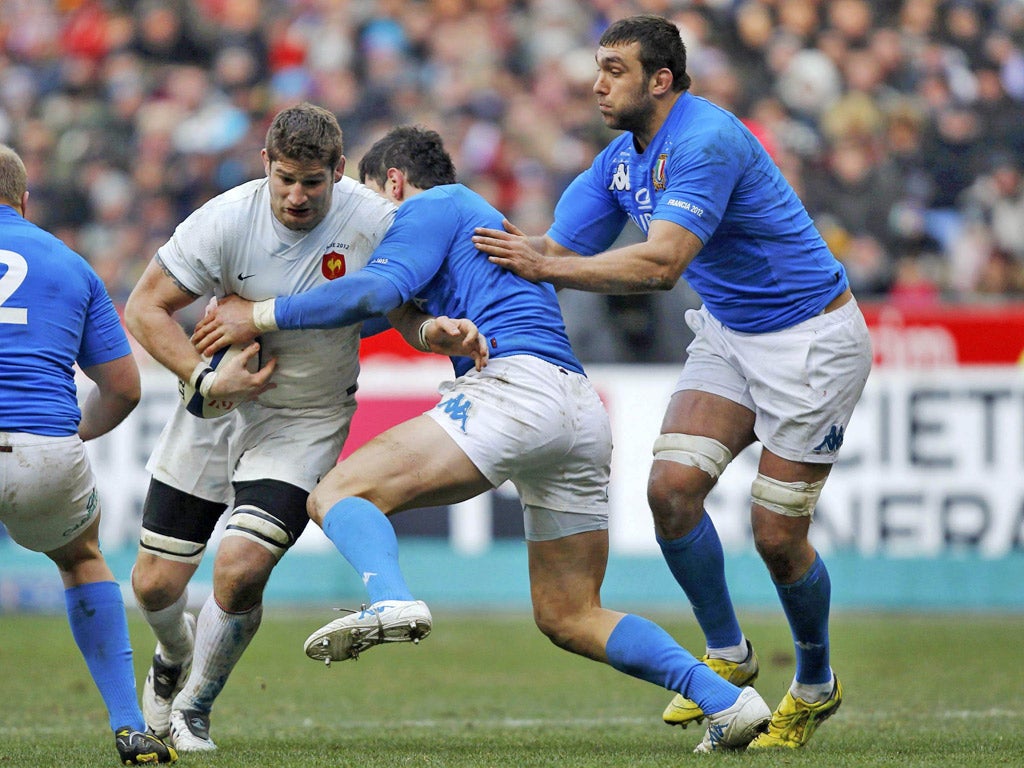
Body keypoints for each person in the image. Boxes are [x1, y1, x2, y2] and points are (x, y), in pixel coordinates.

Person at [192, 125, 773, 753]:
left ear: (391, 182)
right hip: (578, 408)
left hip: (514, 389)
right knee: (569, 615)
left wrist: (255, 314)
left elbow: (376, 290)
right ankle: (728, 702)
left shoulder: (428, 206)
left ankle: (391, 599)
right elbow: (367, 315)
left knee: (337, 493)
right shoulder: (462, 223)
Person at [472, 14, 872, 750]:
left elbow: (659, 267)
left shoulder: (706, 140)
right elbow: (549, 249)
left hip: (811, 342)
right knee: (670, 492)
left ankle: (814, 681)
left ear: (662, 79)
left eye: (615, 70)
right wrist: (466, 293)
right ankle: (729, 654)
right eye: (598, 68)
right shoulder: (622, 158)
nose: (597, 84)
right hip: (730, 334)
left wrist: (542, 266)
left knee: (777, 536)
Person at [123, 104, 479, 753]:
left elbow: (400, 309)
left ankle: (195, 707)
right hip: (216, 410)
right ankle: (173, 657)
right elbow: (144, 306)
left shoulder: (373, 222)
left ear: (339, 172)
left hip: (307, 419)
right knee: (153, 585)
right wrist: (205, 379)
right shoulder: (225, 220)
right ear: (266, 165)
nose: (296, 194)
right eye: (284, 178)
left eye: (312, 182)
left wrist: (430, 333)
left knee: (240, 567)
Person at [0, 144, 176, 765]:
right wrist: (66, 434)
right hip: (42, 450)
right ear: (24, 200)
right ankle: (131, 727)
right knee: (80, 558)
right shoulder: (70, 264)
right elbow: (124, 387)